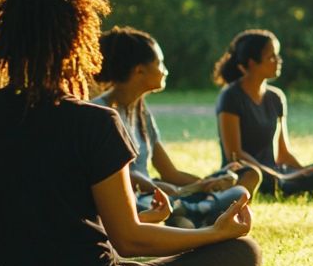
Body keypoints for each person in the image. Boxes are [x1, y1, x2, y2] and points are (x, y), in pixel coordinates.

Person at [0, 0, 260, 266]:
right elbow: (130, 240)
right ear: (77, 41)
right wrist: (213, 233)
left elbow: (43, 221)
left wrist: (142, 218)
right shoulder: (93, 121)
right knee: (242, 253)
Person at [93, 27, 257, 227]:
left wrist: (205, 184)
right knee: (166, 212)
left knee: (242, 184)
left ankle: (192, 214)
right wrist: (169, 190)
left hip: (158, 195)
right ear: (139, 70)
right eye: (159, 63)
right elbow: (124, 177)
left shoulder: (141, 114)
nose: (165, 70)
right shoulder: (100, 112)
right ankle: (195, 215)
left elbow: (170, 173)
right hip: (132, 202)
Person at [213, 29, 313, 197]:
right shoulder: (230, 96)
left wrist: (303, 171)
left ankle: (291, 185)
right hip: (247, 173)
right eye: (271, 56)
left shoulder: (276, 97)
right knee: (262, 178)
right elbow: (234, 154)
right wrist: (277, 176)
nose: (278, 61)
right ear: (251, 63)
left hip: (278, 171)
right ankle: (288, 185)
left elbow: (282, 153)